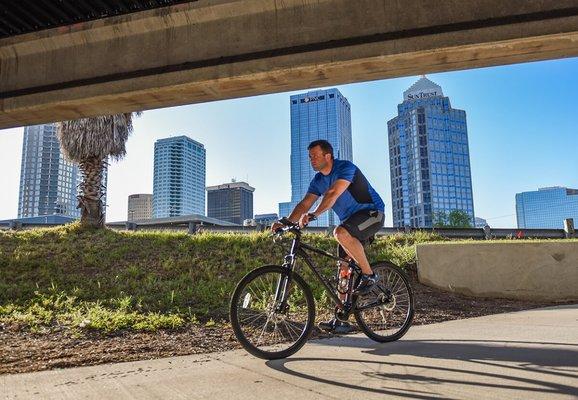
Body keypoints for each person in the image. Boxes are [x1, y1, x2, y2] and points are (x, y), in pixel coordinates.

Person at [271, 140, 385, 333]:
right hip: (350, 221)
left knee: (339, 232)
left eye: (315, 155)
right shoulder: (317, 180)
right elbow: (304, 204)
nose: (311, 159)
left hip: (372, 214)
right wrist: (287, 223)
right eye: (309, 156)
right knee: (343, 268)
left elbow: (332, 194)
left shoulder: (345, 168)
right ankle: (341, 319)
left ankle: (370, 275)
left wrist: (314, 215)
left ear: (328, 156)